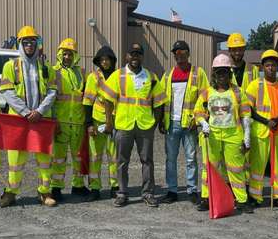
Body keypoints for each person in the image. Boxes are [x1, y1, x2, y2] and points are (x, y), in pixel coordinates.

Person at [101, 42, 165, 208]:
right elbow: (108, 100)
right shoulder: (118, 75)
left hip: (145, 126)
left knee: (147, 161)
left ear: (142, 56)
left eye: (138, 53)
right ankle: (122, 193)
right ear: (126, 56)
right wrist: (109, 122)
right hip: (123, 125)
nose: (135, 57)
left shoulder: (151, 77)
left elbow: (159, 103)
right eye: (132, 53)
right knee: (122, 161)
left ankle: (148, 193)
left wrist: (154, 124)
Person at [0, 25, 57, 207]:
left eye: (33, 41)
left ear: (38, 44)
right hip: (18, 120)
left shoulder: (46, 67)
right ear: (20, 44)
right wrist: (25, 112)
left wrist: (39, 111)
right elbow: (7, 91)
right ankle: (11, 192)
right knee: (15, 160)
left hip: (42, 120)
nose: (30, 45)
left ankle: (44, 193)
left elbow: (52, 91)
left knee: (45, 159)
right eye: (26, 42)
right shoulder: (10, 66)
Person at [194, 52, 251, 212]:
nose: (222, 76)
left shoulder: (238, 92)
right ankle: (206, 198)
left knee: (236, 169)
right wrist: (203, 123)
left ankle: (241, 200)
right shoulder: (207, 92)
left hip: (233, 134)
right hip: (211, 136)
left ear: (230, 73)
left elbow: (246, 114)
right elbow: (197, 111)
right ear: (214, 74)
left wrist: (247, 135)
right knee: (209, 168)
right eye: (219, 72)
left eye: (225, 72)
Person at [158, 40, 209, 204]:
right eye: (175, 52)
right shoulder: (167, 75)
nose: (178, 54)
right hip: (171, 124)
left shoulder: (198, 73)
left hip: (190, 124)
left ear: (188, 52)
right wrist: (160, 120)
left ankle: (192, 190)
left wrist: (199, 119)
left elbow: (205, 98)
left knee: (190, 159)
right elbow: (160, 99)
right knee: (170, 159)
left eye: (181, 51)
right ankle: (172, 190)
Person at [245, 49, 278, 208]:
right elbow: (248, 109)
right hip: (260, 132)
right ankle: (255, 196)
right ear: (262, 67)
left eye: (273, 65)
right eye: (267, 65)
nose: (271, 68)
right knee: (257, 166)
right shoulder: (254, 86)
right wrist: (266, 121)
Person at [50, 38, 88, 201]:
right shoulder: (54, 72)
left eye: (70, 54)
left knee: (78, 156)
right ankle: (56, 188)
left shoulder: (81, 72)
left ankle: (78, 185)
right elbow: (50, 99)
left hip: (78, 122)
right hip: (61, 122)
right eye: (65, 54)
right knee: (59, 157)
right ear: (60, 54)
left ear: (75, 55)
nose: (67, 57)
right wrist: (54, 120)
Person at [82, 45, 118, 199]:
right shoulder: (93, 77)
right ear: (98, 61)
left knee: (114, 157)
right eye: (102, 59)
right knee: (95, 156)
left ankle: (115, 187)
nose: (105, 62)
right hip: (97, 121)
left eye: (107, 59)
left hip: (115, 122)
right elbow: (88, 101)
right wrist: (89, 124)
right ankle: (95, 188)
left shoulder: (118, 76)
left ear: (112, 60)